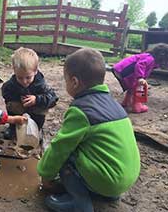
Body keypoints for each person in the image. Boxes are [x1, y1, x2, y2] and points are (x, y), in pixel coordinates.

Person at [37, 48, 140, 212]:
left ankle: (79, 203)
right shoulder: (113, 104)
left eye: (66, 80)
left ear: (74, 82)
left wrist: (45, 174)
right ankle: (108, 194)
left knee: (67, 154)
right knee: (89, 147)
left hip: (108, 180)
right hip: (126, 178)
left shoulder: (81, 110)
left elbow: (60, 147)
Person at [1, 47, 58, 140]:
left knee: (43, 107)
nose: (24, 81)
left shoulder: (41, 84)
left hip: (35, 112)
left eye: (28, 77)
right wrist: (19, 98)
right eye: (20, 77)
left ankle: (36, 129)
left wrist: (37, 99)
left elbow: (53, 98)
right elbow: (5, 93)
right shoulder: (10, 84)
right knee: (11, 104)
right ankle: (13, 128)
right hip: (20, 111)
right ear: (14, 71)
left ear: (35, 71)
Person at [112, 43, 168, 113]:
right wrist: (140, 78)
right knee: (140, 86)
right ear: (162, 55)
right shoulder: (150, 58)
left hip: (120, 69)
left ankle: (127, 102)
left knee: (133, 86)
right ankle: (137, 106)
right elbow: (140, 65)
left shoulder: (151, 59)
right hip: (124, 70)